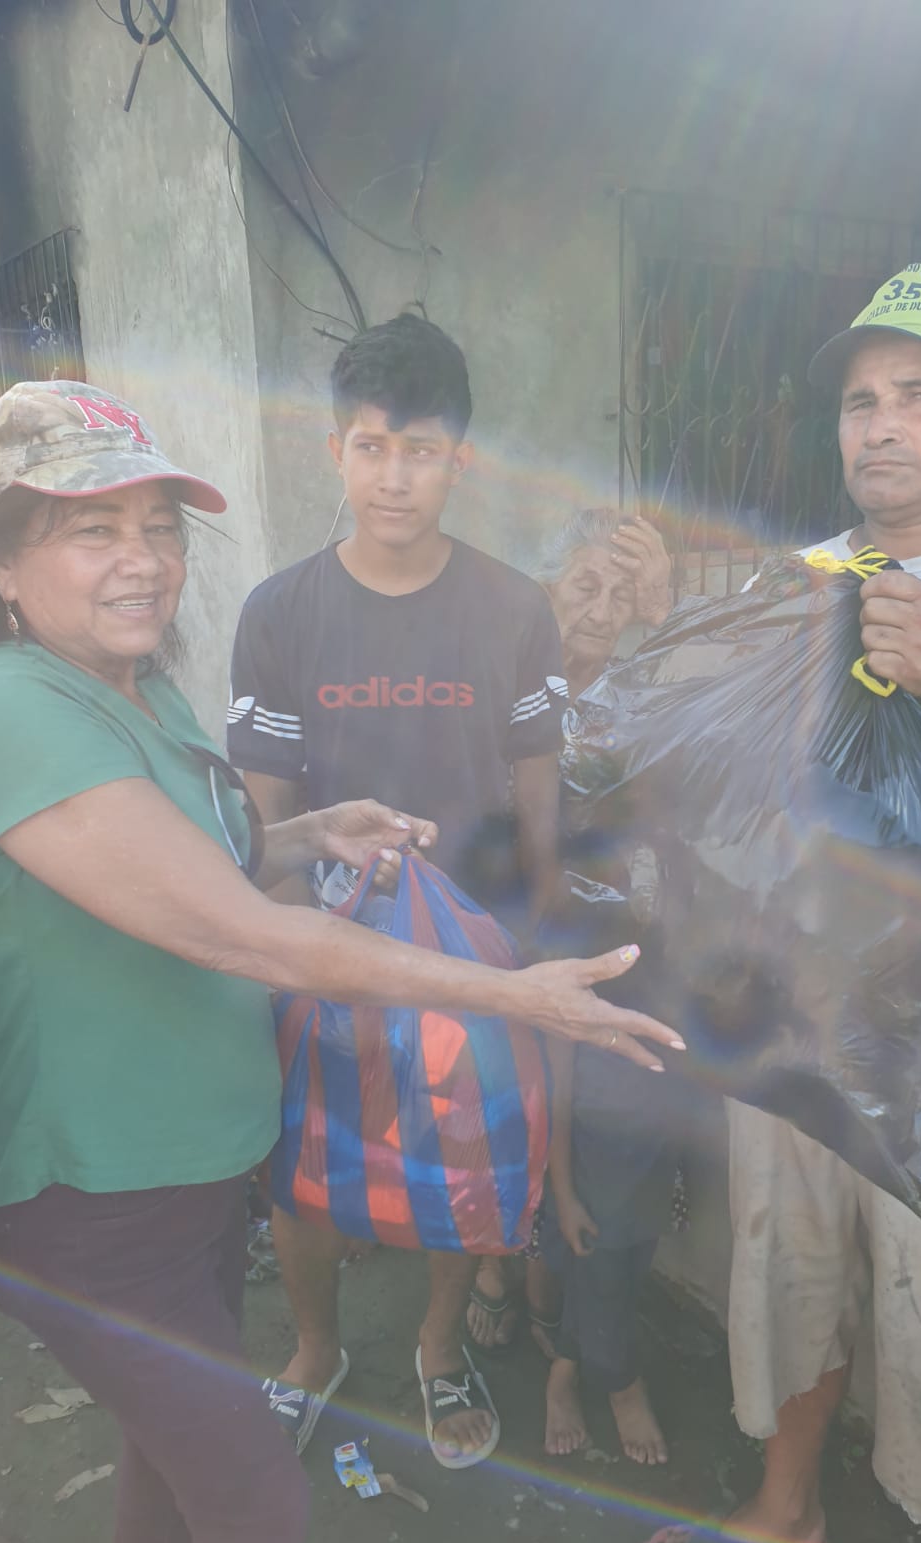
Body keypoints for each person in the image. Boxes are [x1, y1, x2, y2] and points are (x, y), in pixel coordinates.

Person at [0, 379, 683, 1543]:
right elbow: (245, 935)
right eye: (93, 529)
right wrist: (518, 996)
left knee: (169, 1475)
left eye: (159, 527)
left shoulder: (133, 686)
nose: (144, 560)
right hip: (93, 1204)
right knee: (257, 1506)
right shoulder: (7, 709)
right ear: (0, 558)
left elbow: (179, 870)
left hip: (191, 1180)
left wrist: (310, 832)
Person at [638, 266, 921, 1543]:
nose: (881, 424)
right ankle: (787, 1513)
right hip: (797, 1025)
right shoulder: (803, 578)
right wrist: (649, 651)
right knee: (790, 1293)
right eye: (861, 400)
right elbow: (727, 793)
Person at [228, 313, 570, 1469]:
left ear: (459, 459)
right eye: (371, 447)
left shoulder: (514, 608)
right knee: (305, 1163)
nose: (393, 477)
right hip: (324, 941)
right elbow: (263, 812)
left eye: (420, 451)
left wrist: (536, 924)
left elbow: (538, 779)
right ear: (336, 450)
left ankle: (437, 1344)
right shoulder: (280, 613)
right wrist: (290, 952)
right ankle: (315, 1346)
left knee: (456, 1158)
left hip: (472, 945)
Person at [466, 509, 686, 1465]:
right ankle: (497, 1269)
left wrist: (667, 613)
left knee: (586, 1137)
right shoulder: (495, 684)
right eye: (583, 586)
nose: (600, 610)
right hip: (496, 934)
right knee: (499, 1115)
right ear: (544, 589)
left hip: (603, 944)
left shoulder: (640, 698)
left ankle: (574, 1348)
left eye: (620, 594)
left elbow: (683, 784)